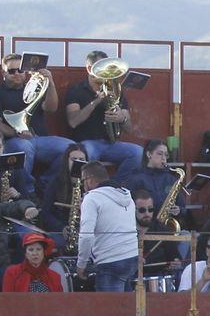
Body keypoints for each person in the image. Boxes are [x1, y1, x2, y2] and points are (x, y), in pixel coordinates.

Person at [64, 50, 143, 176]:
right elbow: (73, 122)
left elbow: (129, 129)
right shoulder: (76, 91)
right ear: (89, 68)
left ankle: (115, 187)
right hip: (87, 142)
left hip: (111, 144)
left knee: (138, 153)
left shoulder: (116, 91)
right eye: (100, 68)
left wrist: (121, 119)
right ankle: (90, 190)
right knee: (88, 155)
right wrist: (97, 101)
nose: (105, 73)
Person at [0, 53, 64, 180]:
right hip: (14, 140)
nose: (17, 73)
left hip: (41, 139)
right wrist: (16, 133)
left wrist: (50, 83)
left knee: (70, 148)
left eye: (20, 70)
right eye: (11, 71)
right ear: (3, 73)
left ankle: (45, 183)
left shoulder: (35, 87)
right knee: (23, 148)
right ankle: (28, 191)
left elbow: (51, 108)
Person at [75, 161, 136, 291]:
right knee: (127, 306)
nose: (83, 185)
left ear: (90, 179)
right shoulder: (127, 196)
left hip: (110, 260)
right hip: (132, 257)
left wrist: (81, 264)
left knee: (109, 308)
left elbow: (86, 236)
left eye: (83, 180)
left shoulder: (92, 199)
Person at [118, 139, 181, 224]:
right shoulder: (135, 178)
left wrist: (178, 210)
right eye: (159, 154)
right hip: (142, 226)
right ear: (149, 154)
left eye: (166, 155)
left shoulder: (171, 179)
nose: (163, 158)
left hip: (166, 226)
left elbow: (182, 206)